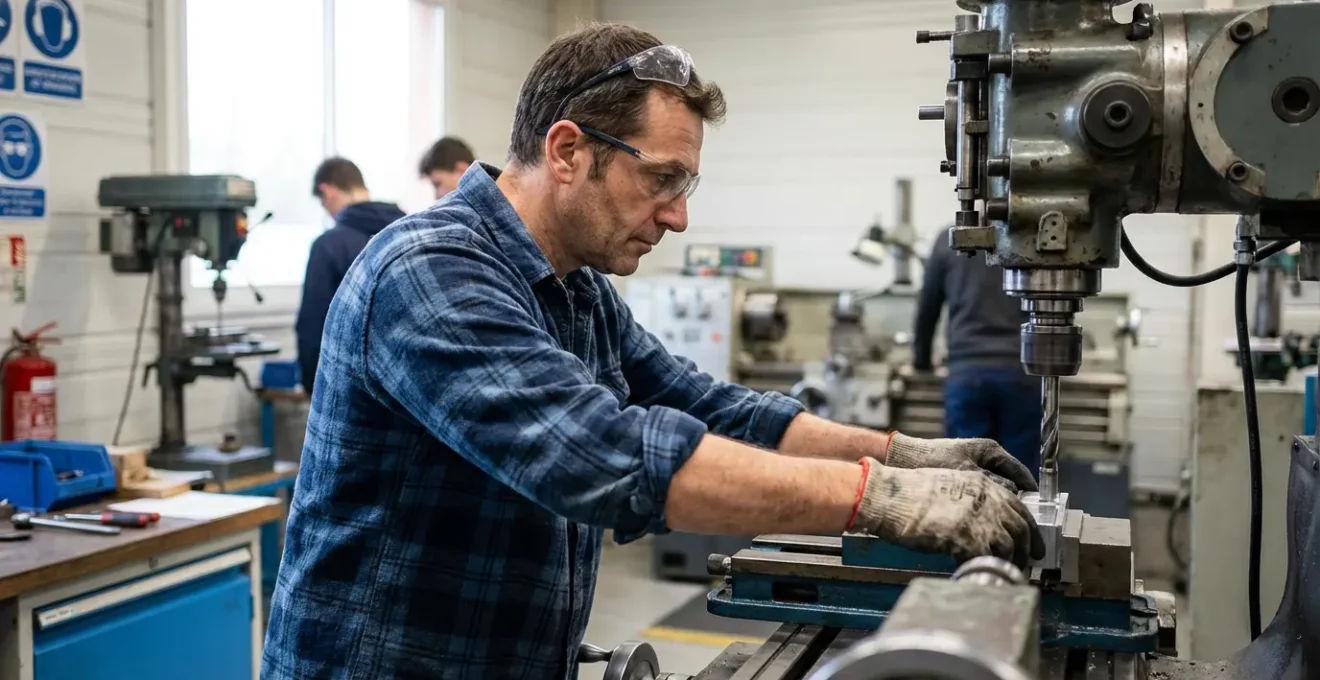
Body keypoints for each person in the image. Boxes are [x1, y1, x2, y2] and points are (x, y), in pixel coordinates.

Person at [262, 23, 1044, 680]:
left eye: (686, 186)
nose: (676, 218)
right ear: (567, 150)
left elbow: (709, 408)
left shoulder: (576, 290)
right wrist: (883, 499)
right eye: (661, 179)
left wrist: (902, 453)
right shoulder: (428, 271)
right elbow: (597, 454)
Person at [912, 225, 1043, 475]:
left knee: (964, 476)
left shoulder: (949, 240)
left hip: (967, 374)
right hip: (1021, 371)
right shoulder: (1027, 235)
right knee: (1021, 476)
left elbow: (928, 306)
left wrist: (922, 361)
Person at [295, 157, 405, 395]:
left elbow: (313, 324)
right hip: (406, 388)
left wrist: (309, 384)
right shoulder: (406, 232)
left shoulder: (329, 246)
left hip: (349, 391)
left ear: (327, 191)